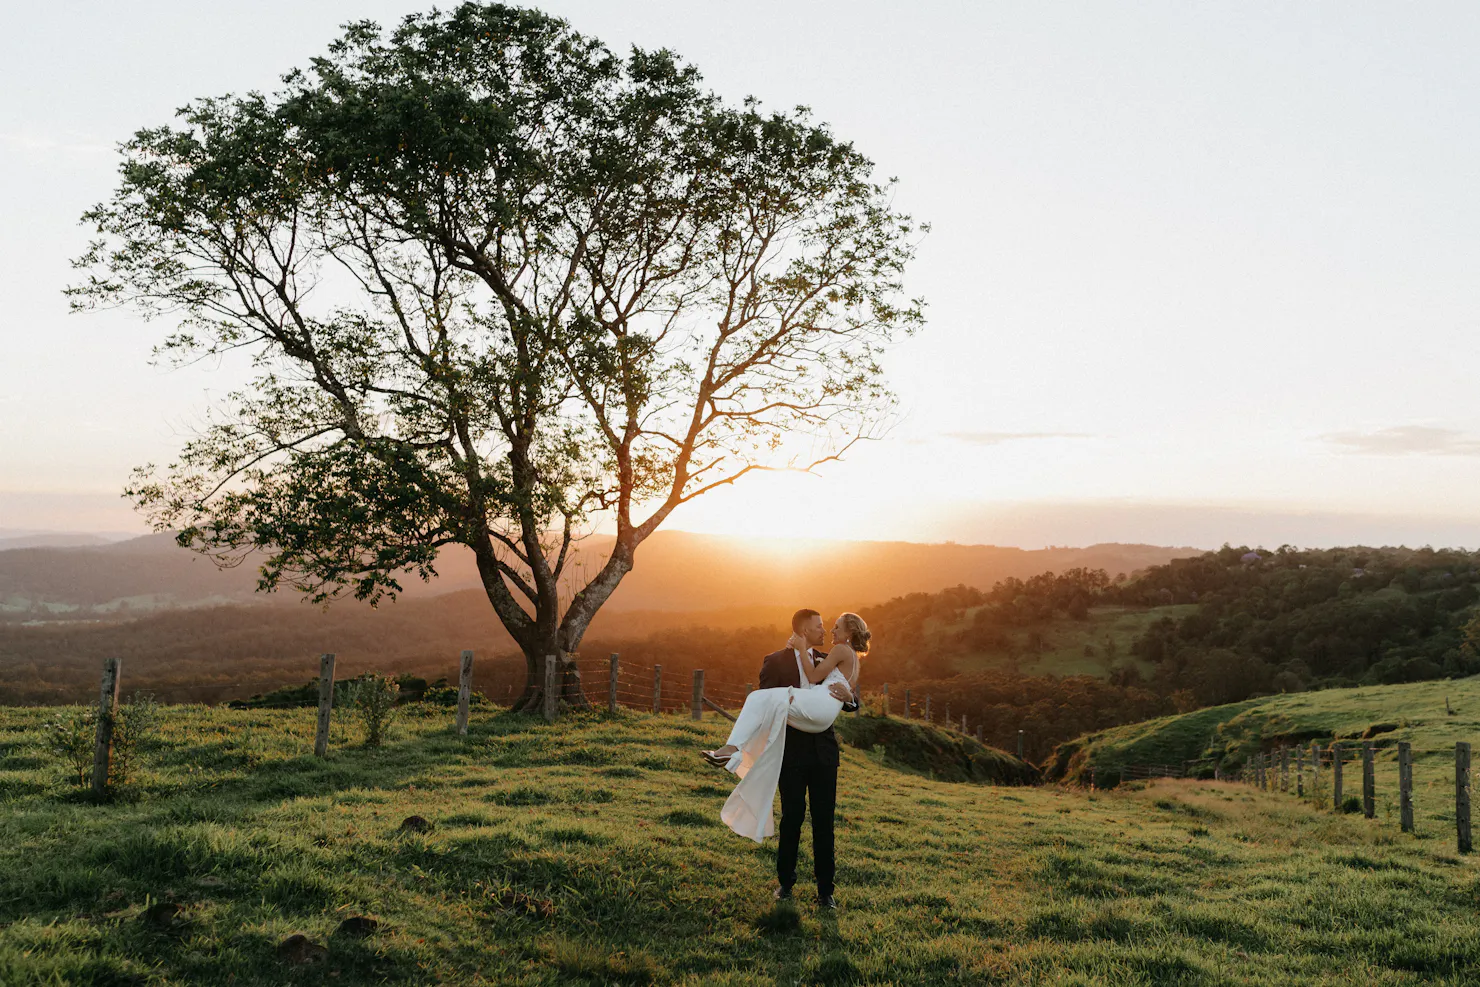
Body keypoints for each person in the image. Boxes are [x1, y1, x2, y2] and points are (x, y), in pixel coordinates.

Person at [701, 609, 870, 909]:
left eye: (826, 627)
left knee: (824, 821)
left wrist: (850, 698)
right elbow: (767, 704)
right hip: (790, 753)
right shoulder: (775, 660)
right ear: (804, 630)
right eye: (818, 627)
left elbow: (847, 690)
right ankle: (785, 883)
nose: (824, 632)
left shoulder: (824, 656)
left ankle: (825, 891)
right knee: (792, 818)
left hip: (823, 754)